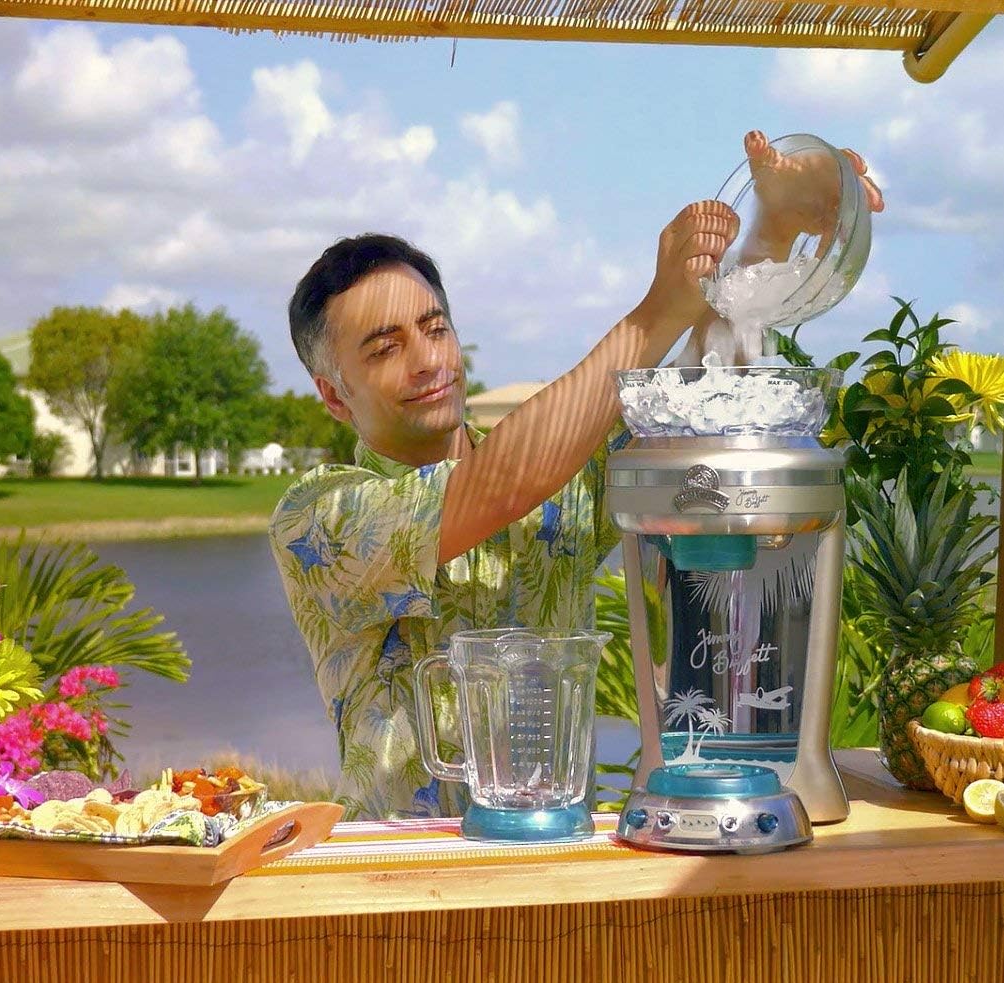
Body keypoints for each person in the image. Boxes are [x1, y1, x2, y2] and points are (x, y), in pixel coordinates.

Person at [269, 131, 884, 820]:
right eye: (385, 348)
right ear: (333, 395)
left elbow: (699, 399)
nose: (427, 360)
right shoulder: (318, 518)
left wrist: (772, 227)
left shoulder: (561, 474)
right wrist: (655, 313)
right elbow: (500, 483)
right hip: (404, 860)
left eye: (435, 329)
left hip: (559, 848)